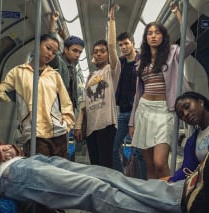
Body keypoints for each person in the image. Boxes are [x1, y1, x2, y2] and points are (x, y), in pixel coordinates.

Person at [0, 91, 209, 213]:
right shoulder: (193, 141)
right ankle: (182, 209)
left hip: (21, 162)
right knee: (95, 190)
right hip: (7, 174)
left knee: (105, 175)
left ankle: (180, 194)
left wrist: (3, 148)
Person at [129, 2, 196, 179]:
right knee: (149, 164)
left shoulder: (173, 52)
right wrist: (131, 122)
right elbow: (137, 95)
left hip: (165, 110)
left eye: (157, 32)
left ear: (163, 36)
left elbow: (190, 42)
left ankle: (167, 199)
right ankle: (154, 200)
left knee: (160, 162)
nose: (153, 36)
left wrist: (178, 13)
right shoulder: (140, 61)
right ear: (146, 38)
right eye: (149, 33)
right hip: (144, 110)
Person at [0, 34, 75, 157]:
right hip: (34, 133)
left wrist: (66, 124)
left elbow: (66, 103)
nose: (50, 54)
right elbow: (1, 92)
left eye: (54, 52)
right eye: (48, 48)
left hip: (57, 133)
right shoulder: (18, 72)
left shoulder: (54, 75)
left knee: (57, 173)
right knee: (40, 173)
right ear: (37, 45)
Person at [74, 5, 121, 168]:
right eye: (95, 52)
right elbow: (84, 105)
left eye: (102, 51)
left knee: (105, 165)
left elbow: (113, 47)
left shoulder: (111, 70)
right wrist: (78, 126)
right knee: (94, 166)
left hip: (106, 124)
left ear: (108, 54)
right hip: (91, 127)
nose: (98, 53)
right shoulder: (90, 77)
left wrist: (111, 21)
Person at [113, 31, 146, 179]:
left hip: (138, 112)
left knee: (139, 152)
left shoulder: (143, 61)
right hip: (123, 111)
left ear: (133, 43)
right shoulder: (120, 63)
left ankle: (142, 183)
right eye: (120, 45)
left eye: (126, 43)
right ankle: (122, 178)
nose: (124, 47)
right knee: (113, 148)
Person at [49, 11, 85, 111]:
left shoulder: (72, 64)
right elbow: (51, 46)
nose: (78, 55)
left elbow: (70, 50)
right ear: (65, 50)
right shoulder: (58, 61)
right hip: (56, 108)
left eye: (80, 52)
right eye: (75, 51)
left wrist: (65, 37)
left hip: (68, 109)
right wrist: (53, 23)